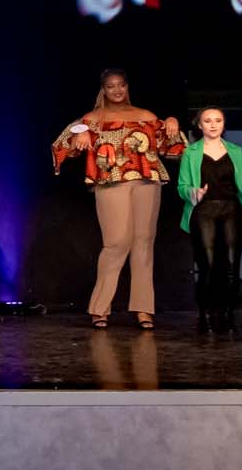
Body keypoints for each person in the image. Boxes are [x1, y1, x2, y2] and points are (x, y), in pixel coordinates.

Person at [51, 70, 184, 330]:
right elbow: (65, 144)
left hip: (147, 180)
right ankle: (100, 308)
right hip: (111, 182)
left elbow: (172, 144)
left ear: (127, 87)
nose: (117, 90)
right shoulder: (93, 118)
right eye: (111, 86)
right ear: (104, 89)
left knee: (144, 242)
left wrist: (171, 121)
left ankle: (144, 309)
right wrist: (80, 132)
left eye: (121, 85)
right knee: (116, 242)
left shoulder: (145, 115)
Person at [175, 107, 242, 333]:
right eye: (208, 121)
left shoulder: (235, 151)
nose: (213, 125)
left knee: (232, 266)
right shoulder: (190, 152)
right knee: (207, 266)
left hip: (231, 210)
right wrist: (193, 192)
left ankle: (228, 315)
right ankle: (205, 315)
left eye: (218, 120)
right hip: (204, 210)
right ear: (199, 125)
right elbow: (182, 186)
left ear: (224, 124)